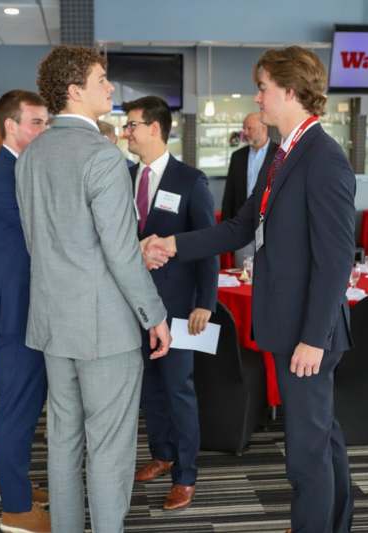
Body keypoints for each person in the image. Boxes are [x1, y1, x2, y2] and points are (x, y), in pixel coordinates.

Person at [144, 45, 356, 533]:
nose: (257, 98)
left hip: (308, 332)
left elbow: (335, 259)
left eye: (262, 88)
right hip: (293, 325)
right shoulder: (285, 152)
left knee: (306, 451)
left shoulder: (322, 156)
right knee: (323, 438)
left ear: (290, 90)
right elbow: (239, 228)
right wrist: (173, 244)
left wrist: (312, 337)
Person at [15, 45, 172, 533]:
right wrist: (156, 314)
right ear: (75, 90)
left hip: (51, 321)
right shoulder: (102, 157)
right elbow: (120, 255)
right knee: (108, 447)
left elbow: (39, 240)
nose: (111, 88)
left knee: (63, 441)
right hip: (104, 328)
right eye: (102, 79)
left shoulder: (31, 153)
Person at [123, 95, 218, 510]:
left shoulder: (189, 180)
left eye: (132, 125)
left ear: (155, 129)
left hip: (182, 307)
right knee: (150, 389)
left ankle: (186, 474)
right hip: (133, 307)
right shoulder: (122, 177)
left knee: (179, 389)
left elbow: (208, 246)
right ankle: (161, 454)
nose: (127, 132)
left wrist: (206, 302)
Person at [0, 90, 51, 533]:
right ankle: (18, 512)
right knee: (18, 408)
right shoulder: (2, 176)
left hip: (23, 305)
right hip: (16, 310)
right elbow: (36, 240)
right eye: (37, 123)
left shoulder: (17, 169)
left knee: (22, 404)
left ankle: (10, 484)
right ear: (11, 126)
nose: (44, 131)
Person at [221, 112, 279, 264]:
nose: (244, 133)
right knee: (243, 275)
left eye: (249, 128)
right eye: (244, 128)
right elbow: (229, 196)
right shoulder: (237, 156)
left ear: (263, 127)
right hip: (242, 229)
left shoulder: (280, 155)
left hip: (272, 230)